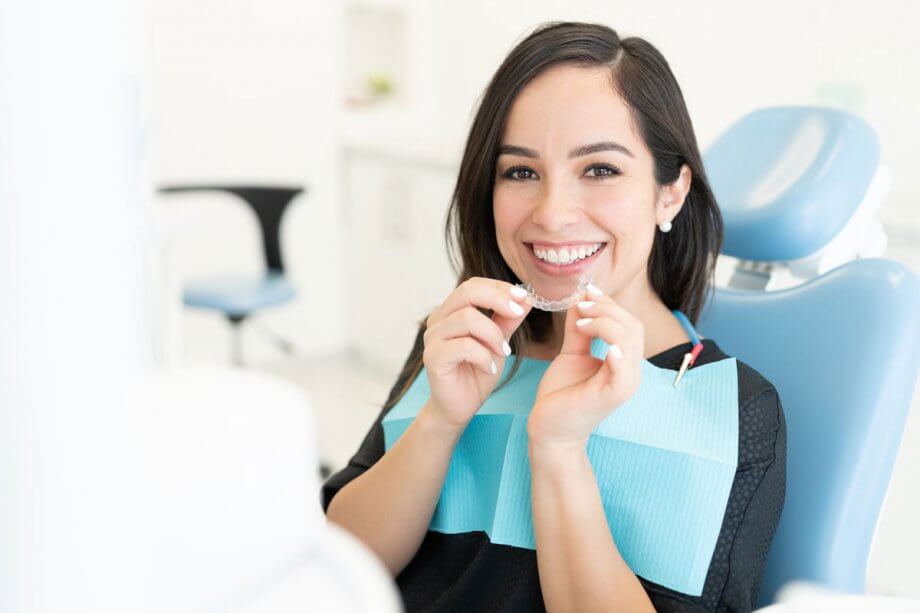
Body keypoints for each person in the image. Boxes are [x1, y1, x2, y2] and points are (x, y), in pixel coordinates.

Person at [322, 21, 786, 612]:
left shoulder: (734, 407)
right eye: (520, 172)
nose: (553, 213)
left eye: (599, 169)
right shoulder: (462, 340)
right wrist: (440, 420)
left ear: (669, 193)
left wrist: (559, 448)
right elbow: (333, 567)